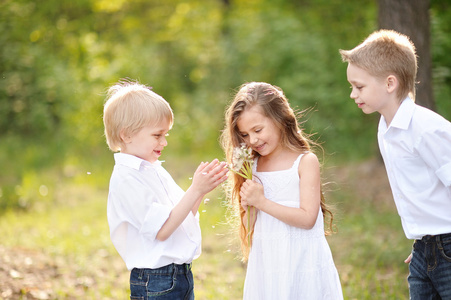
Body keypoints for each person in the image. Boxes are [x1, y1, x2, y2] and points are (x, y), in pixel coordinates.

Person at [340, 29, 451, 299]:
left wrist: (439, 246)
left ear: (390, 84)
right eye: (352, 87)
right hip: (423, 249)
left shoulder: (426, 129)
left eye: (360, 87)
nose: (353, 95)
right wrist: (425, 244)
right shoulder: (385, 128)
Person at [103, 80, 228, 300]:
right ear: (127, 135)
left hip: (179, 275)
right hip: (155, 280)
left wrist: (200, 190)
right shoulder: (127, 178)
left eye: (165, 135)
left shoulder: (152, 170)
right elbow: (162, 230)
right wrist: (194, 189)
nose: (164, 142)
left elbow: (181, 215)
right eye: (157, 135)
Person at [221, 82, 343, 299]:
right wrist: (249, 203)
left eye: (258, 130)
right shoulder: (252, 165)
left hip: (302, 261)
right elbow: (249, 225)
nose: (253, 140)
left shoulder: (305, 162)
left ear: (280, 118)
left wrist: (262, 202)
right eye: (245, 135)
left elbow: (307, 219)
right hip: (269, 262)